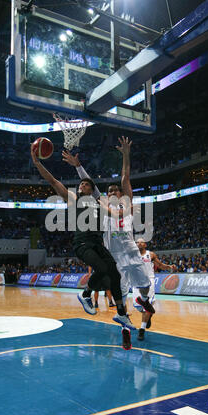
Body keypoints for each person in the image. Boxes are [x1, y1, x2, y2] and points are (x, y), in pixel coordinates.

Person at [31, 145, 135, 349]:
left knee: (114, 273)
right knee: (103, 269)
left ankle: (122, 314)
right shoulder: (74, 199)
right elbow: (52, 180)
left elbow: (112, 206)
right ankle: (85, 293)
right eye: (82, 185)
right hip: (82, 243)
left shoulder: (100, 203)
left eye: (87, 185)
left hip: (97, 243)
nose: (83, 186)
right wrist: (37, 163)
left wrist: (122, 213)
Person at [62, 137, 154, 350]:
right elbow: (91, 185)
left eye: (115, 192)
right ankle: (125, 331)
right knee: (120, 296)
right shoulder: (101, 204)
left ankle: (142, 300)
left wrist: (125, 155)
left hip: (131, 253)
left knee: (145, 286)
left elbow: (126, 176)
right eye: (109, 192)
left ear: (122, 195)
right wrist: (79, 167)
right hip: (115, 257)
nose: (112, 194)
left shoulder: (127, 205)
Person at [133, 238, 176, 341]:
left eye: (141, 242)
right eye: (137, 242)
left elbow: (160, 265)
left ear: (145, 245)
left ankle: (142, 330)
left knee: (146, 305)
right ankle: (149, 315)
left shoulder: (151, 254)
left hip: (149, 281)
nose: (139, 243)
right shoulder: (132, 255)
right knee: (139, 307)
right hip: (136, 281)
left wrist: (169, 267)